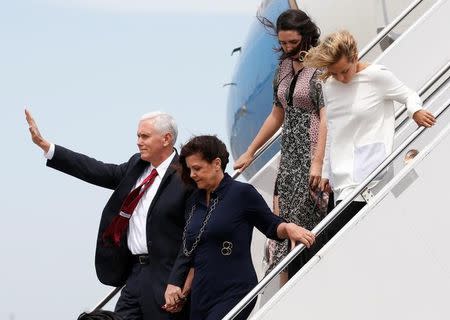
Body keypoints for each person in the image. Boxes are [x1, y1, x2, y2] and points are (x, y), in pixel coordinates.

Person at [25, 109, 192, 320]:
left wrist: (180, 283)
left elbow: (193, 236)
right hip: (135, 275)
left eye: (145, 136)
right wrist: (48, 147)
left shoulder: (186, 175)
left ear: (166, 139)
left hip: (167, 277)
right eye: (138, 136)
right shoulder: (137, 165)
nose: (138, 142)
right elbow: (98, 170)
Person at [164, 135, 316, 320]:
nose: (193, 174)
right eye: (190, 169)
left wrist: (288, 227)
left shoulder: (241, 193)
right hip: (201, 296)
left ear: (217, 163)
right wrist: (177, 285)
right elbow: (189, 250)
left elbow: (271, 224)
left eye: (197, 168)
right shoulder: (194, 202)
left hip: (234, 290)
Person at [303, 30, 436, 239]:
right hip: (342, 178)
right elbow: (333, 130)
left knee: (352, 235)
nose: (340, 78)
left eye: (345, 70)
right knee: (347, 237)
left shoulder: (376, 76)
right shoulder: (329, 86)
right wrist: (327, 171)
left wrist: (415, 111)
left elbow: (408, 94)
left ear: (355, 56)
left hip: (371, 172)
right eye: (334, 72)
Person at [233, 9, 328, 282]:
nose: (287, 48)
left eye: (293, 43)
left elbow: (325, 117)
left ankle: (305, 283)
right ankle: (286, 287)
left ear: (306, 37)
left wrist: (319, 162)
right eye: (283, 43)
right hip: (289, 156)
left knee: (304, 223)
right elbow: (277, 114)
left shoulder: (321, 66)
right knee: (283, 223)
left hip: (312, 151)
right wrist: (251, 151)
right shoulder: (284, 68)